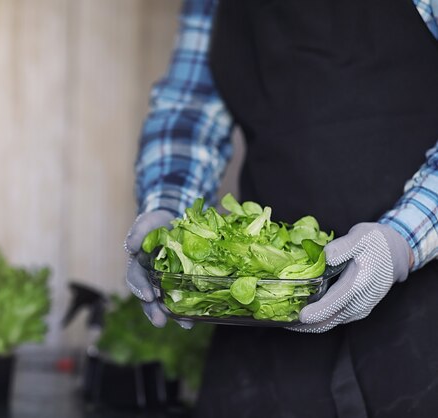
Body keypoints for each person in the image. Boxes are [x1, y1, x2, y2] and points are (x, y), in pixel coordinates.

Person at [124, 0, 438, 416]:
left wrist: (401, 241)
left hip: (420, 326)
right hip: (260, 313)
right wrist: (168, 215)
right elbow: (188, 111)